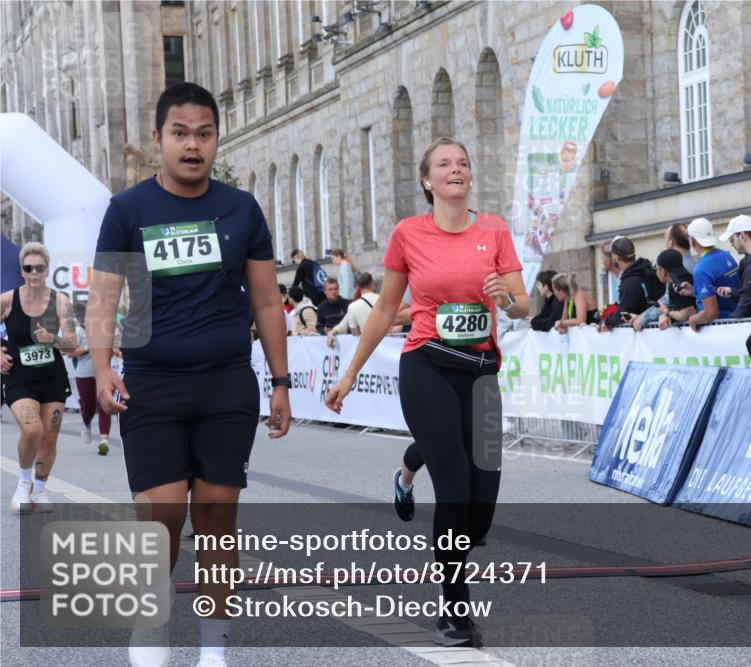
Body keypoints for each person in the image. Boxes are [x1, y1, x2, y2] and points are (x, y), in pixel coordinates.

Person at [88, 82, 291, 667]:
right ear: (158, 139)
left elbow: (268, 303)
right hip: (151, 384)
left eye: (204, 134)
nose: (193, 145)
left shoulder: (241, 209)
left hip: (226, 382)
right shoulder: (128, 211)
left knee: (218, 517)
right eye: (180, 133)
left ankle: (213, 648)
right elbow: (104, 298)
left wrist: (280, 382)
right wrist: (103, 370)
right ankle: (151, 632)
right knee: (162, 516)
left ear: (216, 139)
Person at [325, 137, 528, 648]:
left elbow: (525, 304)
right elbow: (385, 309)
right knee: (455, 488)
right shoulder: (408, 234)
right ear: (427, 181)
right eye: (445, 164)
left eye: (462, 162)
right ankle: (454, 610)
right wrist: (350, 374)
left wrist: (512, 300)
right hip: (428, 364)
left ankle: (407, 468)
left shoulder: (494, 230)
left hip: (481, 371)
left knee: (482, 504)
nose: (456, 169)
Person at [1, 242, 76, 513]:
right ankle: (23, 484)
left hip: (52, 379)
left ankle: (40, 490)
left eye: (39, 268)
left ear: (47, 270)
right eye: (28, 268)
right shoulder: (7, 299)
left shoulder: (61, 301)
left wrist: (52, 338)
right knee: (32, 430)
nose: (34, 273)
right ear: (21, 270)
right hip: (19, 377)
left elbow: (73, 345)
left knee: (50, 438)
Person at [68, 302, 111, 455]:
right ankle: (86, 423)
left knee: (104, 406)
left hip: (102, 373)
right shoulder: (78, 330)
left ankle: (104, 440)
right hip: (84, 373)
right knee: (90, 407)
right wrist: (87, 348)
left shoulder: (103, 328)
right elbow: (70, 353)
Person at [684, 217, 740, 332]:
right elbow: (721, 291)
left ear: (693, 241)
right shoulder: (726, 255)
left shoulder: (700, 270)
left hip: (720, 330)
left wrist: (693, 319)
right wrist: (695, 291)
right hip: (738, 323)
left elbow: (711, 313)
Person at [599, 236, 663, 329]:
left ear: (616, 257)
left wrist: (607, 321)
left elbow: (623, 314)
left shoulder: (629, 282)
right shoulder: (647, 270)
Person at [627, 250, 696, 331]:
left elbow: (687, 314)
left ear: (663, 271)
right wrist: (641, 317)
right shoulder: (689, 277)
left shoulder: (675, 286)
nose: (656, 272)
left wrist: (667, 311)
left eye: (657, 268)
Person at [329, 272, 379, 341]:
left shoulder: (352, 306)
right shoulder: (382, 299)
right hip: (388, 341)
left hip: (367, 344)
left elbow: (354, 333)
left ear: (358, 287)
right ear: (372, 283)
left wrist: (331, 332)